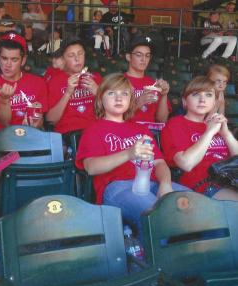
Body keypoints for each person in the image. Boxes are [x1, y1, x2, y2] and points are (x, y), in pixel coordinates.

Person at [75, 73, 188, 238]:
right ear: (101, 99)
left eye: (124, 94)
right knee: (158, 215)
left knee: (196, 206)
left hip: (152, 183)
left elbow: (159, 163)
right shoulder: (94, 130)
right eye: (112, 93)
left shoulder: (140, 129)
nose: (119, 98)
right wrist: (129, 153)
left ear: (130, 100)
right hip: (117, 187)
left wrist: (165, 184)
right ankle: (153, 260)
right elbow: (91, 167)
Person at [161, 76, 238, 200]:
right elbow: (186, 163)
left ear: (214, 102)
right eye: (196, 94)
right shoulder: (176, 124)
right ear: (185, 101)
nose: (202, 100)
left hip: (230, 181)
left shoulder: (216, 125)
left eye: (208, 95)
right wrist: (209, 133)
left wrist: (226, 134)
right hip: (203, 184)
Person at [0, 32, 48, 134]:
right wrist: (4, 100)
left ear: (23, 60)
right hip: (2, 140)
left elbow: (41, 119)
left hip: (32, 138)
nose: (8, 64)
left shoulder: (38, 83)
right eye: (4, 58)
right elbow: (4, 122)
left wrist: (36, 123)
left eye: (14, 59)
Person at [46, 39, 102, 135]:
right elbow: (50, 120)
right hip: (69, 133)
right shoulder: (55, 81)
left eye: (80, 54)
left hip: (96, 130)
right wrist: (68, 93)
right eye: (71, 55)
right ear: (63, 59)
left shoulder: (96, 78)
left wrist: (98, 93)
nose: (77, 59)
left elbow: (111, 114)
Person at [124, 37, 171, 124]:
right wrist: (137, 103)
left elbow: (162, 120)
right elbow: (110, 117)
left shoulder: (154, 84)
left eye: (147, 55)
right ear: (128, 57)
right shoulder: (118, 82)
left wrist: (164, 95)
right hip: (125, 132)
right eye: (139, 55)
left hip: (149, 133)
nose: (144, 59)